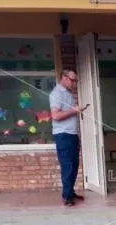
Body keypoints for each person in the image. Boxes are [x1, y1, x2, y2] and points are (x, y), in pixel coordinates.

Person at [49, 69, 88, 207]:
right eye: (73, 80)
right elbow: (55, 116)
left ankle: (70, 192)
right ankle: (67, 197)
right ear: (64, 78)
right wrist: (73, 111)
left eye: (75, 80)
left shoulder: (68, 94)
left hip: (72, 134)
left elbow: (68, 113)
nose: (74, 83)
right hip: (63, 135)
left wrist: (77, 111)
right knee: (67, 166)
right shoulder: (56, 94)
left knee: (74, 165)